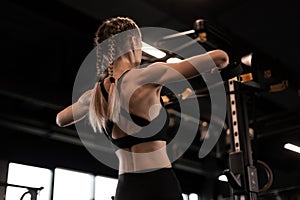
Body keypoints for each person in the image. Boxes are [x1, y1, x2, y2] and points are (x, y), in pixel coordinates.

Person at [56, 16, 229, 200]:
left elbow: (61, 119)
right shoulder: (147, 75)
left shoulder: (95, 95)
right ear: (132, 41)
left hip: (126, 189)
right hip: (159, 186)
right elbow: (221, 57)